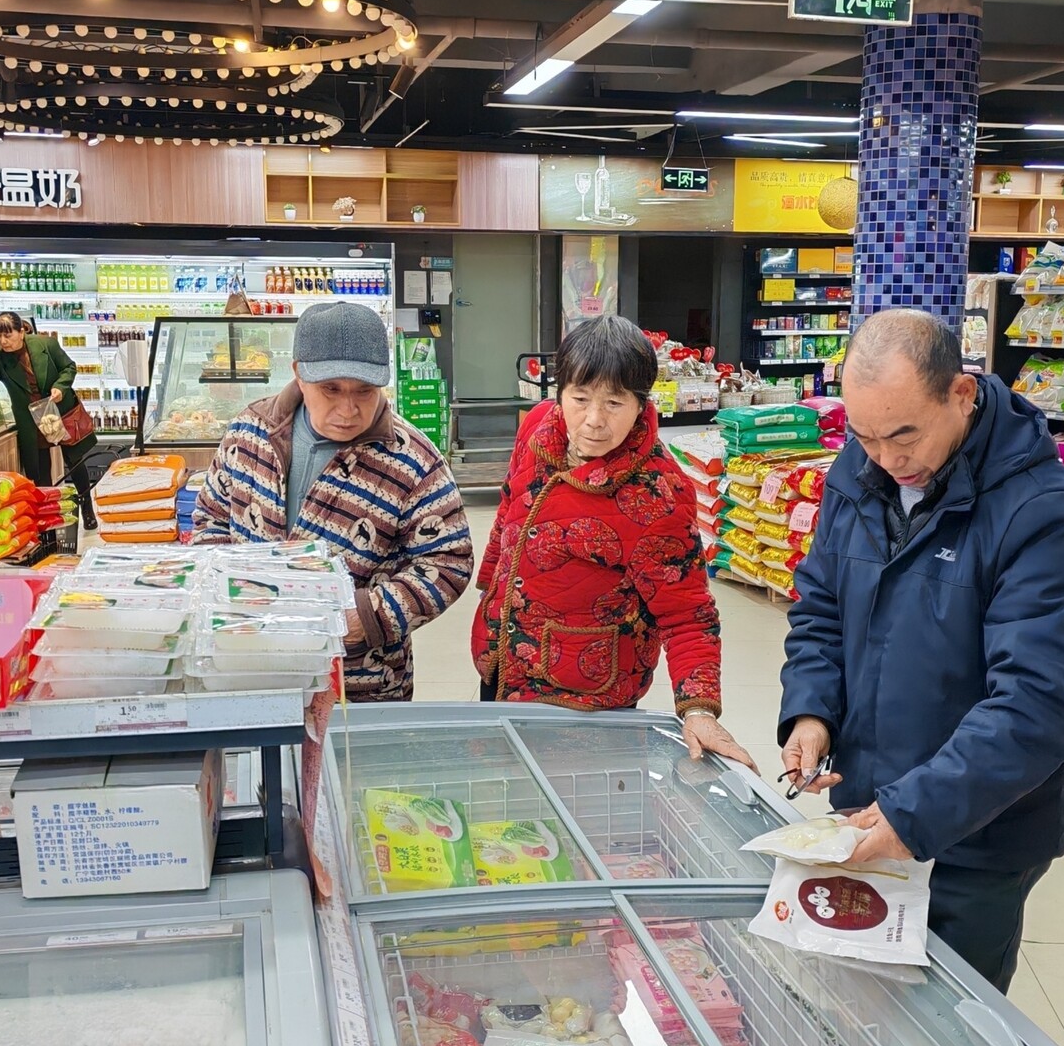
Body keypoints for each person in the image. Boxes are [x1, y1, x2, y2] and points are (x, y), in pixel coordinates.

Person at [778, 309, 1064, 990]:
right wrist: (812, 712)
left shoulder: (1040, 511)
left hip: (980, 834)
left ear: (961, 395)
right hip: (871, 802)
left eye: (904, 435)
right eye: (864, 436)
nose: (887, 460)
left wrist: (914, 812)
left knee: (952, 1030)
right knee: (861, 1001)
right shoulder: (858, 472)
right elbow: (823, 604)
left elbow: (1036, 704)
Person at [472, 314, 754, 768]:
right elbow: (510, 506)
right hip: (503, 662)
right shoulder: (539, 427)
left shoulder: (658, 493)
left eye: (614, 403)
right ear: (559, 392)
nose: (594, 421)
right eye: (580, 399)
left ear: (642, 403)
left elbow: (688, 615)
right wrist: (489, 587)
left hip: (586, 700)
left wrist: (698, 708)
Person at [193, 300, 472, 702]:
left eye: (365, 391)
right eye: (331, 390)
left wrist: (368, 616)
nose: (348, 409)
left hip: (361, 683)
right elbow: (211, 516)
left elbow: (449, 561)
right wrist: (226, 595)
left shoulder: (414, 461)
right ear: (298, 374)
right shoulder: (249, 432)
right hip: (248, 667)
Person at [0, 310, 99, 530]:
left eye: (9, 335)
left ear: (21, 331)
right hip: (31, 420)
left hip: (60, 411)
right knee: (40, 469)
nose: (4, 341)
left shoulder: (46, 345)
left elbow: (69, 367)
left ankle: (87, 508)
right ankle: (48, 521)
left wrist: (60, 388)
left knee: (75, 460)